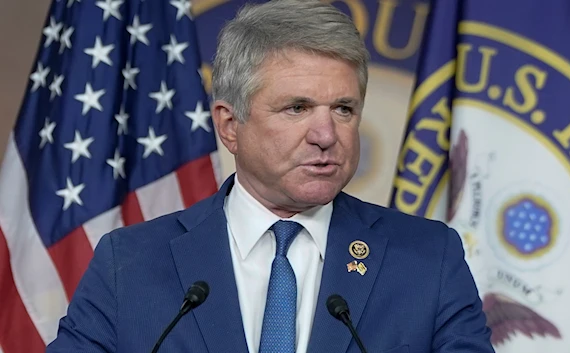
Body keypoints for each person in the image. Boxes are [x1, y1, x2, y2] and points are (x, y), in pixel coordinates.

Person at [46, 0, 494, 352]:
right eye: (297, 108)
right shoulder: (131, 265)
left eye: (343, 109)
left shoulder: (427, 258)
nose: (326, 134)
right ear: (229, 125)